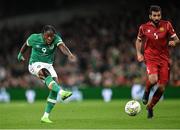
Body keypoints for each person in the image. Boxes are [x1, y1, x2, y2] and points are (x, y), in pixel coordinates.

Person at [17, 25, 76, 123]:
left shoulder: (56, 38)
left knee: (54, 87)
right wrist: (20, 54)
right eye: (47, 36)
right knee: (46, 74)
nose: (49, 38)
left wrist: (69, 54)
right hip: (34, 64)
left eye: (51, 36)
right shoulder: (34, 38)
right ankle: (62, 92)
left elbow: (63, 47)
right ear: (42, 34)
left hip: (49, 65)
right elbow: (26, 45)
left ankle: (45, 117)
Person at [135, 5, 180, 118]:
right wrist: (139, 53)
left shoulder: (167, 25)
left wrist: (174, 43)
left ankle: (150, 107)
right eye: (154, 15)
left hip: (164, 59)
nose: (157, 17)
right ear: (150, 16)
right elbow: (139, 40)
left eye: (158, 15)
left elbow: (177, 39)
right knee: (153, 79)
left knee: (161, 87)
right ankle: (146, 91)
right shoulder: (143, 27)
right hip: (150, 57)